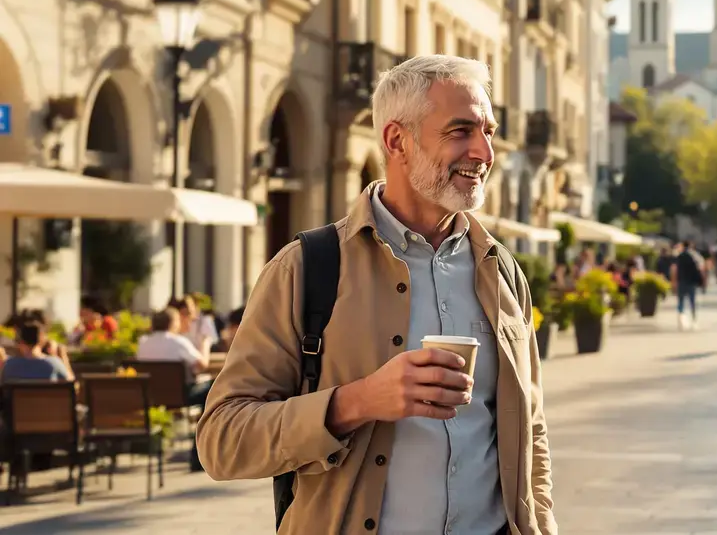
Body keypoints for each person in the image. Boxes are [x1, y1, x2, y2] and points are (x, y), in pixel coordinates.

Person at [196, 56, 556, 534]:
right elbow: (222, 441)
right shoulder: (307, 269)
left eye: (488, 131)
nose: (484, 151)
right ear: (396, 140)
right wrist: (357, 402)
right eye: (461, 131)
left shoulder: (503, 272)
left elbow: (530, 432)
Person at [137, 306, 211, 471]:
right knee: (212, 391)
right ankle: (197, 455)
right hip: (181, 396)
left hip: (150, 397)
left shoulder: (143, 343)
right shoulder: (179, 342)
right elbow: (202, 364)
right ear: (172, 323)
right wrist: (205, 343)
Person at [1, 322, 74, 383]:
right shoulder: (55, 363)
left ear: (21, 342)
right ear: (42, 341)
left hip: (19, 400)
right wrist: (63, 356)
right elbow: (72, 387)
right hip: (48, 400)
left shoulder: (9, 366)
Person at [671, 240, 706, 330]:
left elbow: (674, 269)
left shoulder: (679, 256)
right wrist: (703, 281)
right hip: (691, 282)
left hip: (682, 281)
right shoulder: (695, 256)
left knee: (681, 301)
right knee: (692, 301)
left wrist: (674, 282)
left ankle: (681, 319)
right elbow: (701, 268)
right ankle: (694, 319)